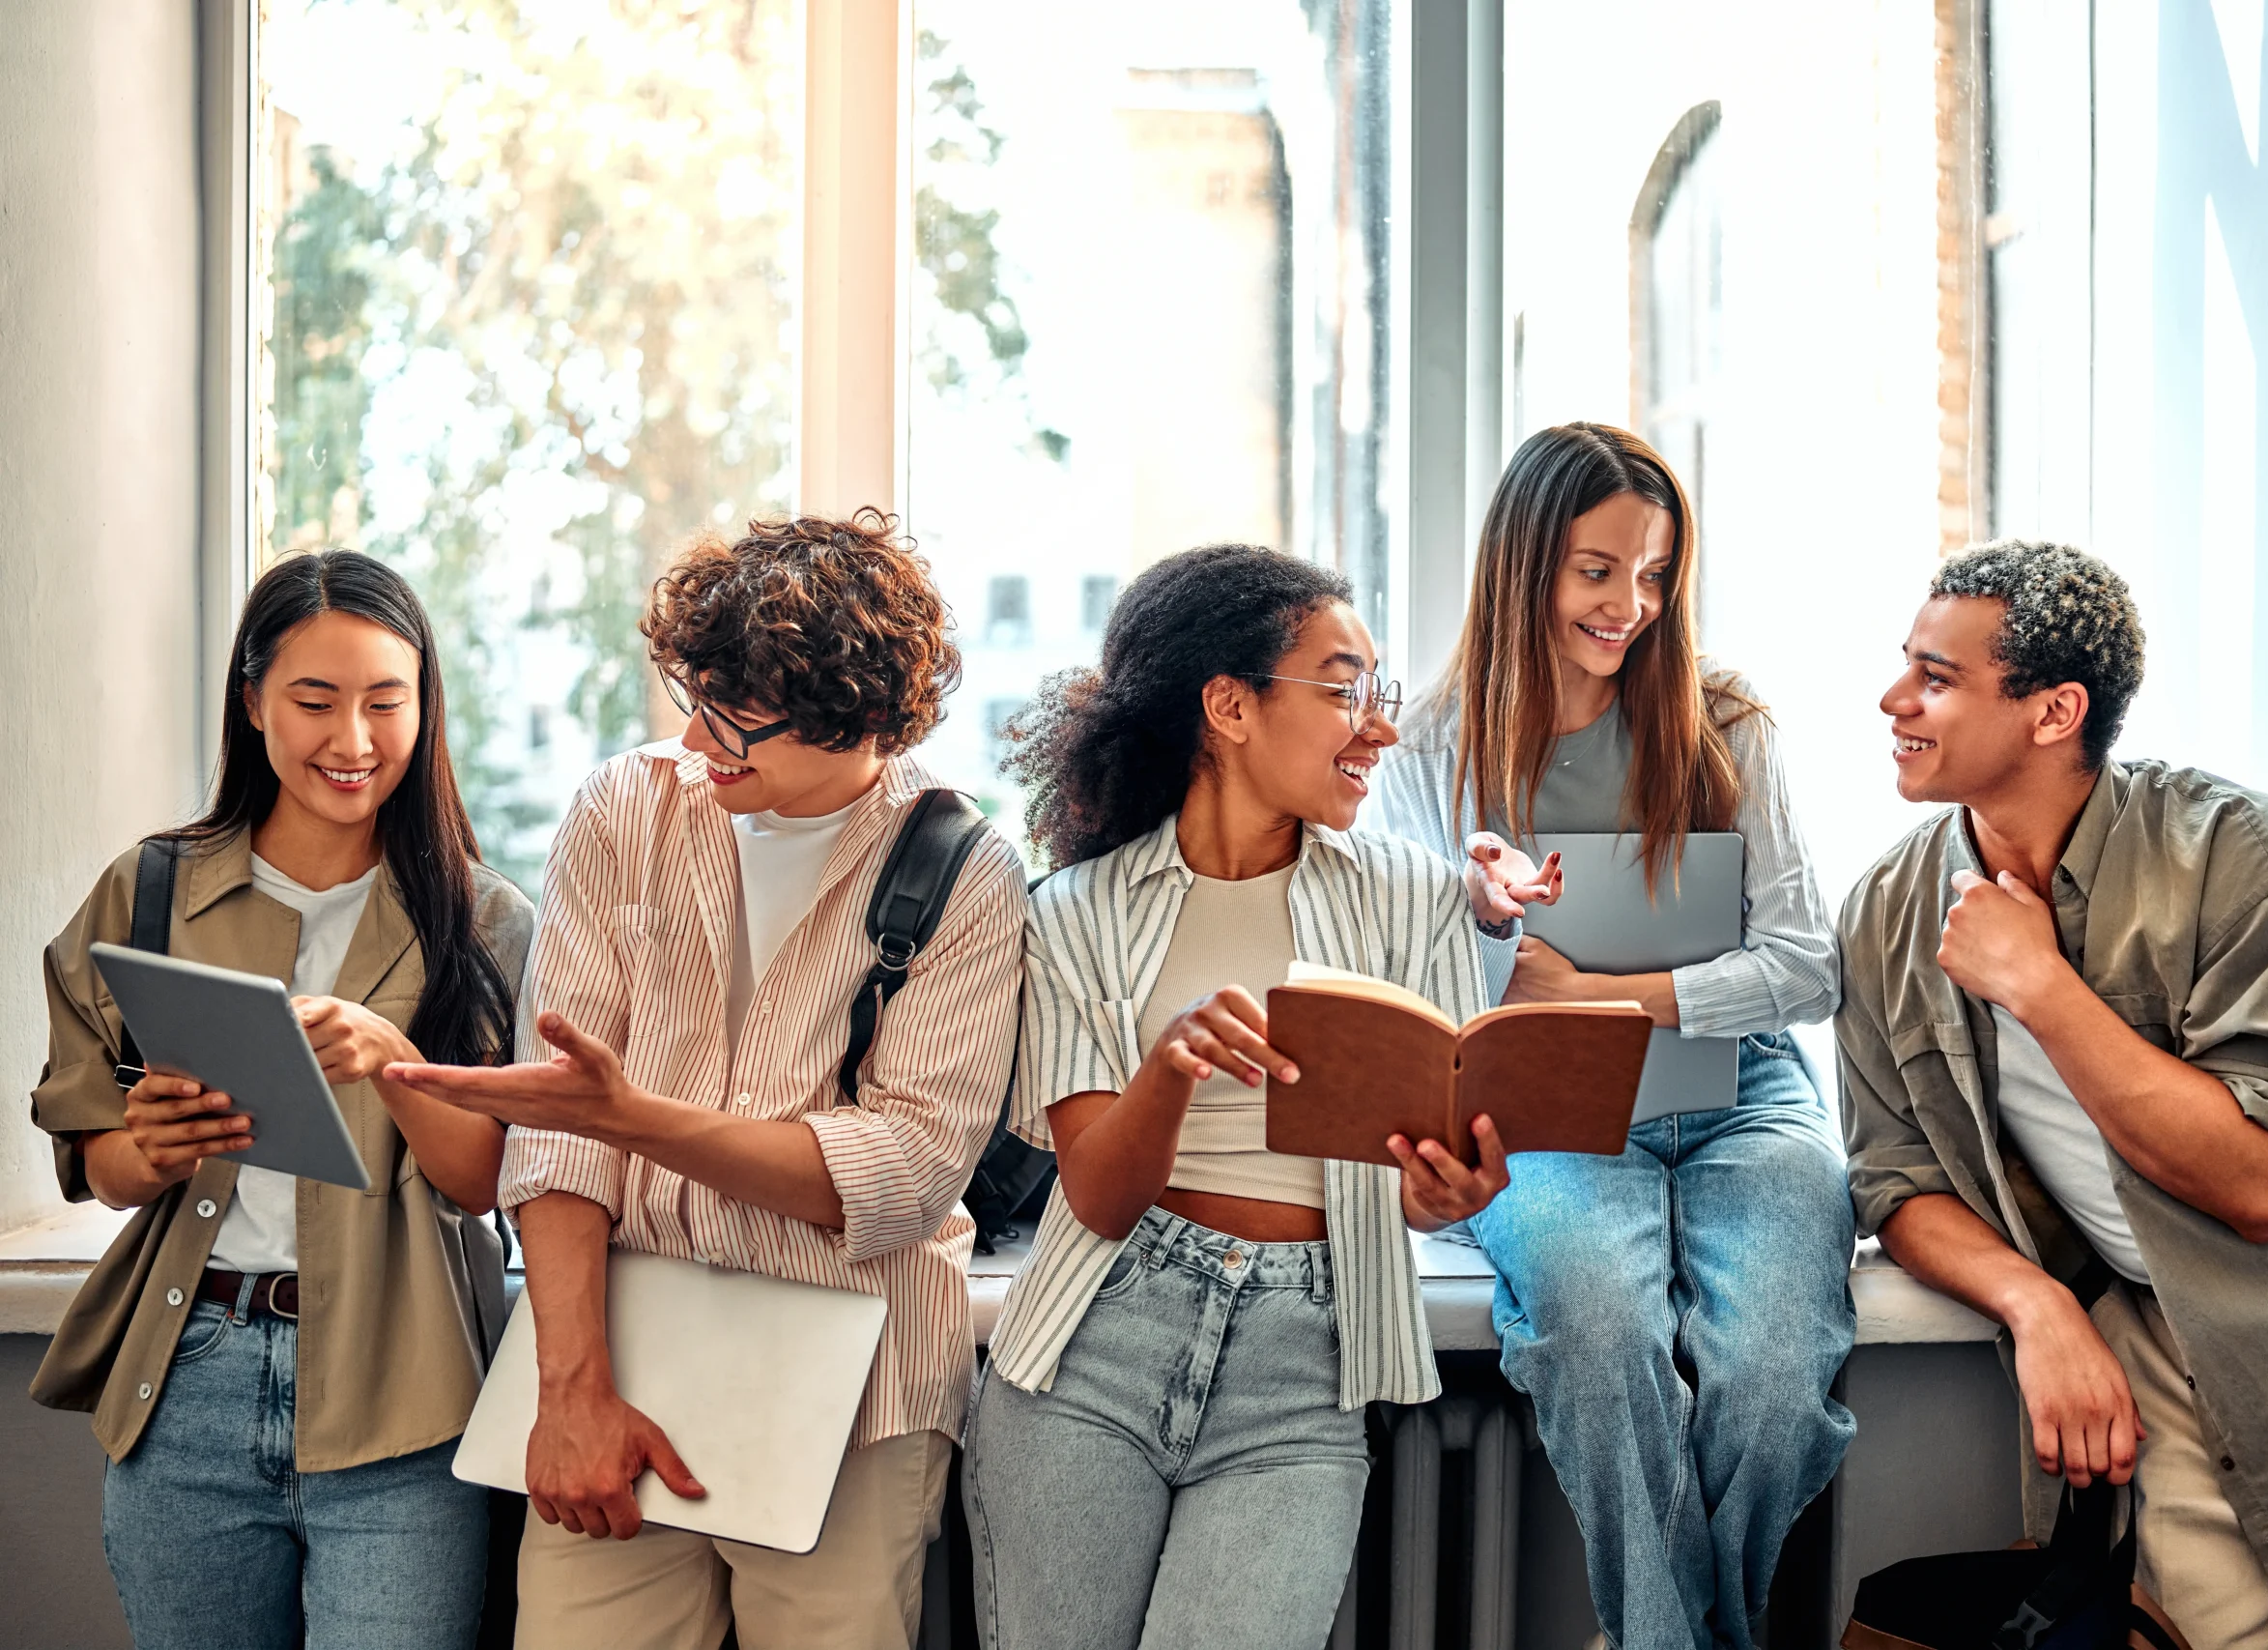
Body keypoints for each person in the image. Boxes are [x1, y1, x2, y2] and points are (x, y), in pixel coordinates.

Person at [385, 512, 1024, 1650]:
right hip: (619, 1351)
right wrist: (570, 1389)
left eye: (737, 715)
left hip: (858, 1392)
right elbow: (562, 1137)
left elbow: (904, 1175)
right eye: (698, 692)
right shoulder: (621, 807)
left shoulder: (964, 870)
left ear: (864, 717)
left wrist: (637, 1118)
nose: (699, 733)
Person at [1840, 539, 2268, 1648]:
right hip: (2154, 1353)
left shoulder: (2242, 858)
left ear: (2053, 712)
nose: (1893, 700)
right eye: (1907, 667)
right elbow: (1894, 1179)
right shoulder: (1887, 909)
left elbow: (2261, 1182)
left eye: (1936, 678)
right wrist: (2035, 1307)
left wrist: (2040, 986)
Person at [964, 544, 1512, 1650]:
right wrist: (1168, 1067)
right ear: (1229, 705)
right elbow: (1099, 1199)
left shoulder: (1414, 895)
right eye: (1344, 688)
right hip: (1089, 1351)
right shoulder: (1073, 912)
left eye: (1378, 693)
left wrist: (1451, 1191)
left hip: (1303, 1372)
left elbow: (1419, 1172)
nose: (1380, 728)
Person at [1368, 422, 1855, 1650]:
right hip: (1547, 1118)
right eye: (1597, 570)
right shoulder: (1432, 750)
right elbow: (1421, 999)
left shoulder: (1728, 723)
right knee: (1596, 1345)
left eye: (1653, 574)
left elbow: (1806, 966)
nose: (1629, 605)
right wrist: (1478, 919)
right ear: (1525, 562)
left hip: (1742, 1097)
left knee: (1775, 1383)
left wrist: (1603, 993)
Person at [30, 550, 532, 1650]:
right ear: (252, 701)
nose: (352, 743)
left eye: (384, 703)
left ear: (423, 708)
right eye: (314, 701)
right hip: (191, 1379)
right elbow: (100, 1166)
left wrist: (394, 1061)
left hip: (407, 1398)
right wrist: (147, 1147)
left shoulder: (484, 920)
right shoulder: (149, 891)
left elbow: (489, 1182)